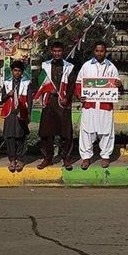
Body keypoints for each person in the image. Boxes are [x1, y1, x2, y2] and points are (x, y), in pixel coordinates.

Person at [75, 41, 121, 170]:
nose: (99, 53)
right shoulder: (86, 66)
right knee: (86, 131)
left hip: (105, 105)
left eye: (102, 51)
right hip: (89, 105)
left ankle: (105, 156)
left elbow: (117, 85)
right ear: (93, 51)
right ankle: (86, 157)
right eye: (97, 51)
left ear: (105, 52)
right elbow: (79, 83)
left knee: (106, 131)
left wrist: (119, 85)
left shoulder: (111, 67)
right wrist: (80, 96)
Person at [35, 41, 76, 170]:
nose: (57, 53)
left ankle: (66, 158)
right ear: (51, 52)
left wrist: (67, 98)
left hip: (63, 103)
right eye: (55, 51)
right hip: (49, 102)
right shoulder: (45, 66)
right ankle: (48, 158)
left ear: (62, 52)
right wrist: (47, 90)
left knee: (66, 132)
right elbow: (39, 82)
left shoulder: (69, 67)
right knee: (46, 132)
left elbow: (72, 84)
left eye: (59, 51)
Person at [1, 60, 32, 173]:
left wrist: (29, 113)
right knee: (10, 136)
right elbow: (1, 99)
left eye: (19, 71)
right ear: (12, 71)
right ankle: (12, 159)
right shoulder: (7, 83)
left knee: (21, 136)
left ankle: (20, 159)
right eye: (15, 70)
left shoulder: (26, 83)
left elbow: (29, 99)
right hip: (10, 112)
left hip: (21, 112)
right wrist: (7, 95)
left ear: (22, 72)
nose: (17, 73)